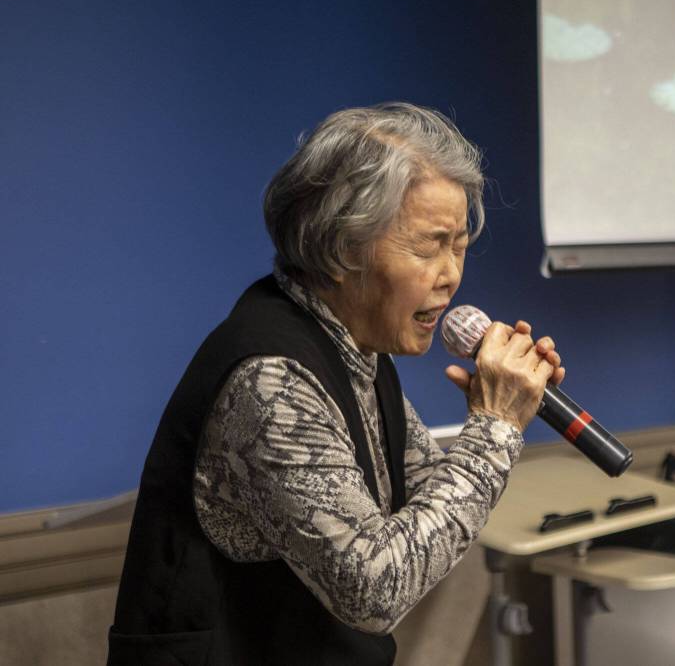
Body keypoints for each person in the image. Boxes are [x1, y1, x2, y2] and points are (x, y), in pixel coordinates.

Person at [107, 103, 565, 665]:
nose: (450, 275)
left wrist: (495, 414)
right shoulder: (271, 380)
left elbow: (427, 507)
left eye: (460, 247)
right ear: (344, 246)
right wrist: (493, 429)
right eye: (429, 245)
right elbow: (375, 591)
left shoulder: (358, 347)